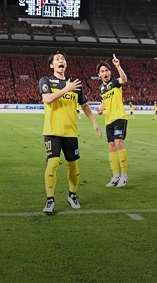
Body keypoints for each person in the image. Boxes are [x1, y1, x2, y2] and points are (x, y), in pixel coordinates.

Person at [39, 51, 102, 215]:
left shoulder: (75, 84)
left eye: (63, 59)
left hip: (71, 133)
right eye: (57, 59)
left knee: (73, 166)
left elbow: (85, 105)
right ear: (52, 65)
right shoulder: (46, 81)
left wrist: (94, 123)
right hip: (52, 131)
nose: (61, 60)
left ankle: (72, 195)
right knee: (53, 163)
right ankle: (50, 200)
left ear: (65, 64)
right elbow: (47, 99)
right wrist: (66, 89)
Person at [96, 54, 130, 188]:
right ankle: (115, 176)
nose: (105, 73)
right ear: (99, 74)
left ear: (110, 72)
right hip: (108, 120)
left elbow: (124, 79)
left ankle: (124, 175)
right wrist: (101, 109)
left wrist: (118, 66)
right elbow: (104, 101)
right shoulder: (101, 88)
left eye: (107, 70)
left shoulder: (115, 82)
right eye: (102, 71)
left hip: (119, 117)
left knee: (118, 142)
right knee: (111, 146)